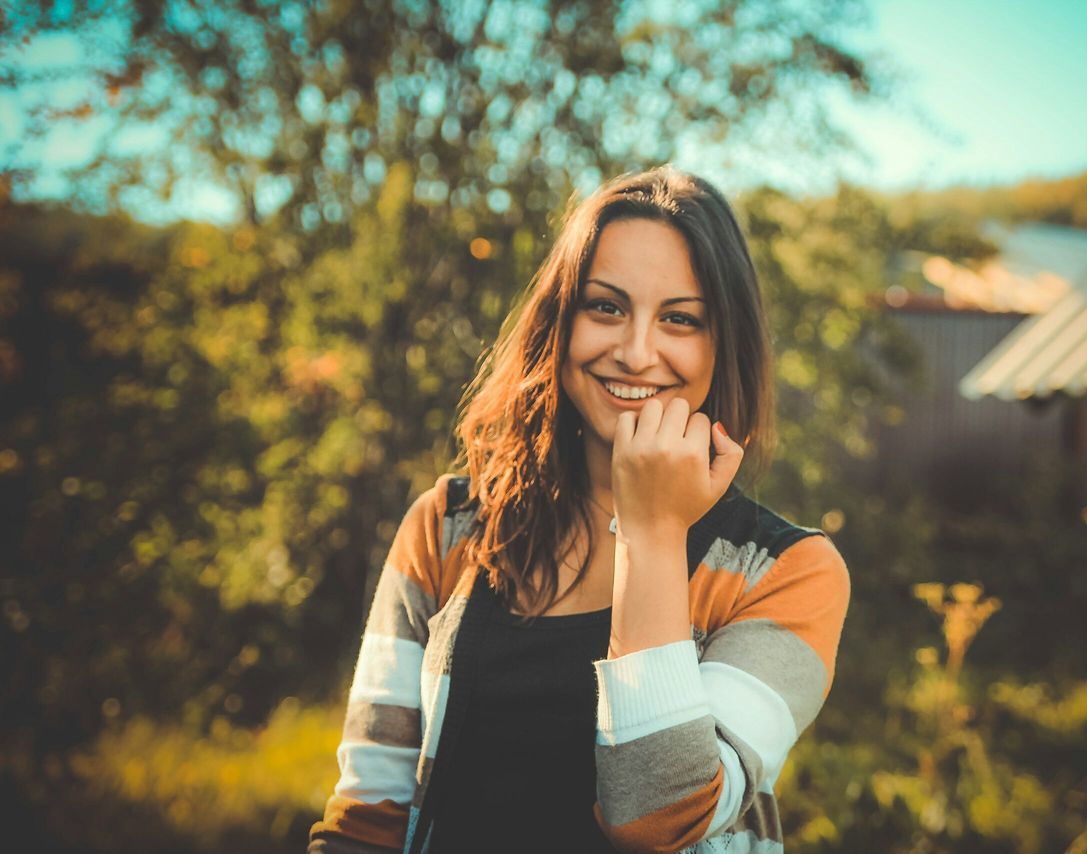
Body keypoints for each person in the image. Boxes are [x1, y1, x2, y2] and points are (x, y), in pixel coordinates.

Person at [308, 166, 851, 853]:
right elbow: (366, 820)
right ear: (559, 322)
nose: (635, 352)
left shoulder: (786, 573)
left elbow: (659, 817)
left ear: (725, 345)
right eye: (606, 307)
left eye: (680, 319)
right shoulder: (446, 529)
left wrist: (652, 532)